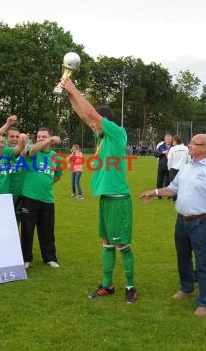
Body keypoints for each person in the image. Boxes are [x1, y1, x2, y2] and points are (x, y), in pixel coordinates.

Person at [61, 79, 137, 303]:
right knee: (106, 243)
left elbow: (92, 114)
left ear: (105, 122)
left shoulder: (117, 132)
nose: (92, 127)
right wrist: (69, 96)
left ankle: (131, 287)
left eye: (96, 124)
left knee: (122, 244)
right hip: (105, 198)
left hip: (119, 199)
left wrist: (75, 88)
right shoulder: (102, 137)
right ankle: (107, 285)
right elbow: (86, 117)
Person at [140, 134, 206, 317]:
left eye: (194, 143)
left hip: (202, 222)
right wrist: (155, 192)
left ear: (204, 148)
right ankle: (187, 288)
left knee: (202, 262)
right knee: (182, 257)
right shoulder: (187, 167)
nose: (190, 145)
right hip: (182, 221)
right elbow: (173, 189)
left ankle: (205, 301)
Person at [20, 128, 62, 269]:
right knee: (27, 231)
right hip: (30, 197)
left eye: (44, 136)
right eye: (38, 136)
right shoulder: (32, 151)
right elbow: (31, 151)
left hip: (47, 199)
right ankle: (26, 259)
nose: (40, 138)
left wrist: (47, 185)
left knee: (47, 231)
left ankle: (49, 258)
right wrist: (48, 140)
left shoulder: (55, 156)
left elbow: (57, 176)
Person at [167, 135, 190, 202]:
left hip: (173, 169)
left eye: (173, 140)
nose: (172, 142)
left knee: (173, 184)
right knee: (182, 184)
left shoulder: (172, 149)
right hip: (183, 169)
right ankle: (181, 198)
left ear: (175, 141)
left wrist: (169, 168)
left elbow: (169, 159)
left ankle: (175, 198)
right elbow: (189, 159)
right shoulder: (186, 148)